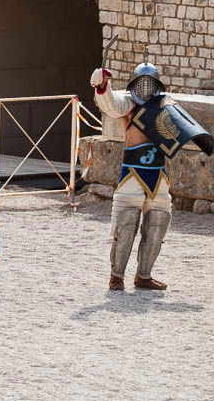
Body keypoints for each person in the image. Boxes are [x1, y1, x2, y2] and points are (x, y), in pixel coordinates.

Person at [90, 62, 212, 290]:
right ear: (135, 83)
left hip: (159, 175)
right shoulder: (128, 103)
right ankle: (116, 276)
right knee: (126, 225)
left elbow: (185, 128)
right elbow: (111, 104)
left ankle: (143, 276)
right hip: (132, 174)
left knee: (157, 224)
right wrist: (103, 86)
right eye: (141, 82)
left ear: (156, 84)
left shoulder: (165, 105)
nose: (145, 87)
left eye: (149, 82)